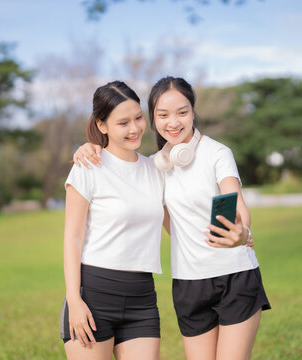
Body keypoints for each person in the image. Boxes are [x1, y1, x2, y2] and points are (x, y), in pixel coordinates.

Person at [73, 76, 271, 360]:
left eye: (182, 112)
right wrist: (88, 146)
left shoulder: (218, 154)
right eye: (163, 115)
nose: (173, 122)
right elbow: (117, 162)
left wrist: (242, 231)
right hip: (189, 283)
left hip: (235, 276)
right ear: (152, 119)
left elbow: (237, 204)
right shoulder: (155, 167)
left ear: (193, 112)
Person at [60, 81, 164, 360]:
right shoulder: (87, 167)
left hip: (142, 297)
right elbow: (72, 238)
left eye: (138, 118)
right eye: (123, 123)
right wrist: (75, 300)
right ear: (102, 125)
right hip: (94, 296)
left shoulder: (155, 169)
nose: (134, 128)